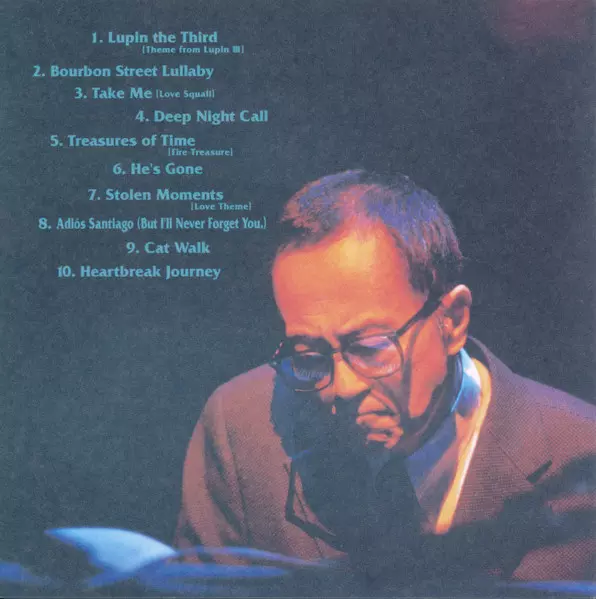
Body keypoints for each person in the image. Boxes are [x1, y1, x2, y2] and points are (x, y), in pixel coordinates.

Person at [175, 170, 595, 588]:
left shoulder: (582, 455)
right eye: (308, 353)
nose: (342, 388)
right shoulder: (239, 429)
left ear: (452, 321)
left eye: (370, 347)